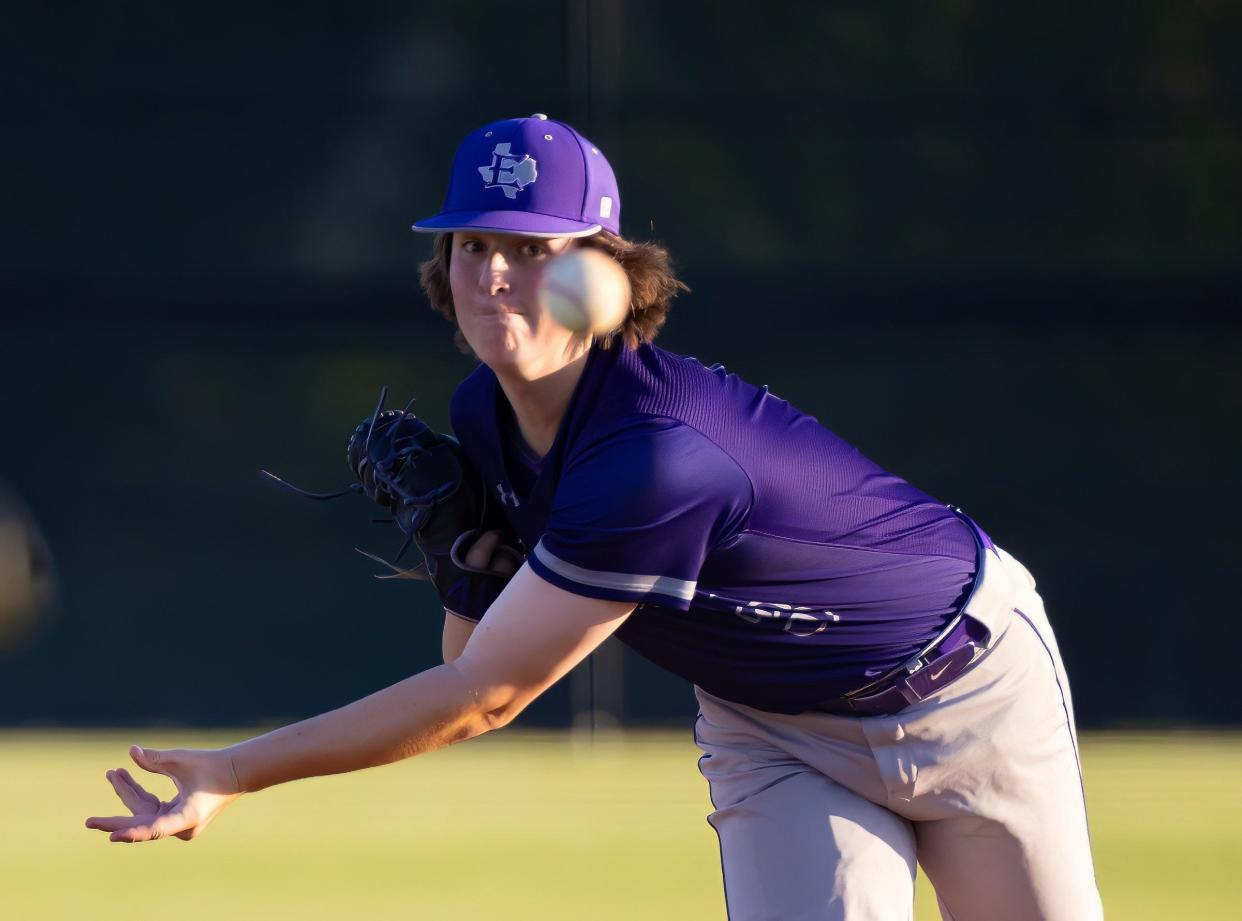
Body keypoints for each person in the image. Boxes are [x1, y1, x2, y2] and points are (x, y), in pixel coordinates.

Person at [85, 114, 1103, 921]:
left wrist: (235, 770)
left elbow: (482, 697)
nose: (492, 274)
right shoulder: (483, 412)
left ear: (602, 278)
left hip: (965, 689)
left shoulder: (656, 460)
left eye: (533, 250)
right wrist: (466, 563)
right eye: (474, 243)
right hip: (776, 726)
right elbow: (472, 648)